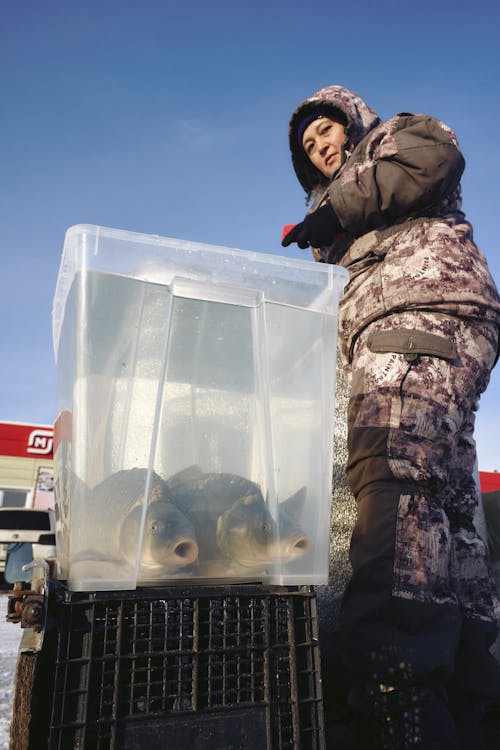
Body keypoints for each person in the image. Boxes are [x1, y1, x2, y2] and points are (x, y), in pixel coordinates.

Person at [282, 85, 500, 749]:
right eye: (311, 150)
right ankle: (473, 685)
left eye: (326, 132)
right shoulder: (344, 211)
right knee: (448, 504)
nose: (322, 148)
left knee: (393, 477)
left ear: (351, 121)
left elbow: (430, 162)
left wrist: (332, 212)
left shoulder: (394, 139)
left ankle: (396, 687)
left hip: (415, 320)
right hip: (425, 328)